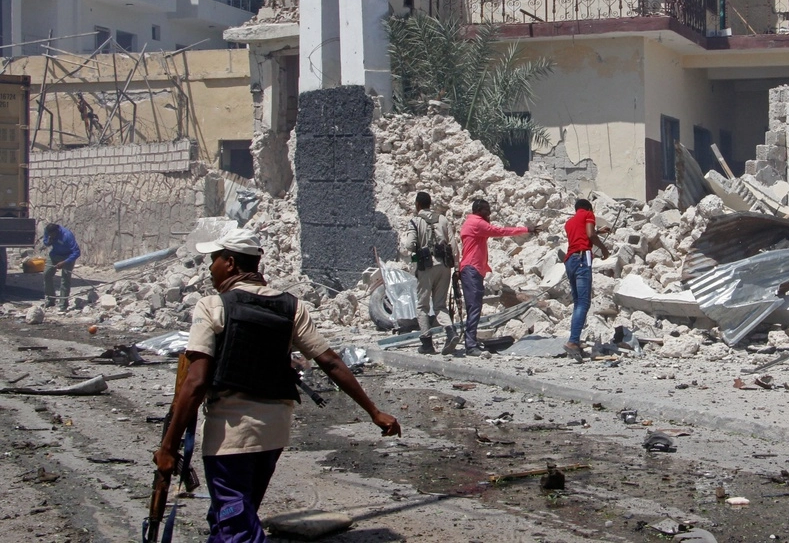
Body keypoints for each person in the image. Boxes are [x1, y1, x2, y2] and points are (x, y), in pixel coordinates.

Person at [152, 228, 401, 540]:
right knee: (232, 515)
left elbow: (196, 381)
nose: (209, 266)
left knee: (235, 529)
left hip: (231, 435)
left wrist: (168, 447)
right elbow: (331, 361)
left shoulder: (212, 306)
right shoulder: (291, 306)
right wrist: (374, 412)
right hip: (273, 433)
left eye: (214, 259)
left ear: (229, 263)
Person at [458, 198, 533, 357]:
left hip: (472, 269)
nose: (489, 213)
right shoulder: (477, 223)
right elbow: (499, 231)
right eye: (486, 210)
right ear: (478, 210)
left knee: (474, 306)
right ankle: (470, 345)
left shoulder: (471, 222)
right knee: (474, 307)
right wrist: (526, 229)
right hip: (472, 269)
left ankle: (470, 341)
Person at [401, 192, 460, 356]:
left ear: (417, 205)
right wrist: (456, 267)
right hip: (444, 266)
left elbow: (410, 245)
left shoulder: (415, 221)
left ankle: (427, 342)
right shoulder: (442, 219)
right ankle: (450, 332)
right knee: (440, 304)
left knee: (422, 306)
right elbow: (453, 244)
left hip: (426, 267)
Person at [563, 199, 610, 363]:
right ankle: (573, 341)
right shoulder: (589, 214)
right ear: (589, 208)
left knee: (577, 302)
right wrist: (604, 249)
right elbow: (589, 235)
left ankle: (574, 339)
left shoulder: (569, 222)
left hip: (570, 261)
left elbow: (583, 233)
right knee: (584, 302)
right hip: (583, 259)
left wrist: (599, 231)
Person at [43, 223, 80, 310]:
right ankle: (50, 299)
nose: (51, 235)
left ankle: (63, 304)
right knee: (46, 274)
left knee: (65, 279)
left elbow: (76, 252)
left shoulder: (67, 235)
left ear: (57, 231)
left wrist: (64, 262)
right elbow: (45, 242)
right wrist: (49, 241)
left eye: (52, 234)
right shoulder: (47, 231)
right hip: (54, 254)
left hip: (67, 257)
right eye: (49, 234)